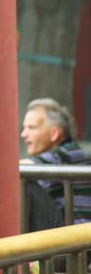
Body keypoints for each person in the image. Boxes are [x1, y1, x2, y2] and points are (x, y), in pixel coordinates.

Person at [21, 97, 90, 231]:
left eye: (31, 128)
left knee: (25, 183)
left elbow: (16, 168)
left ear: (54, 134)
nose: (24, 134)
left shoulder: (69, 152)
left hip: (79, 238)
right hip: (70, 232)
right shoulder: (61, 154)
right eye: (24, 128)